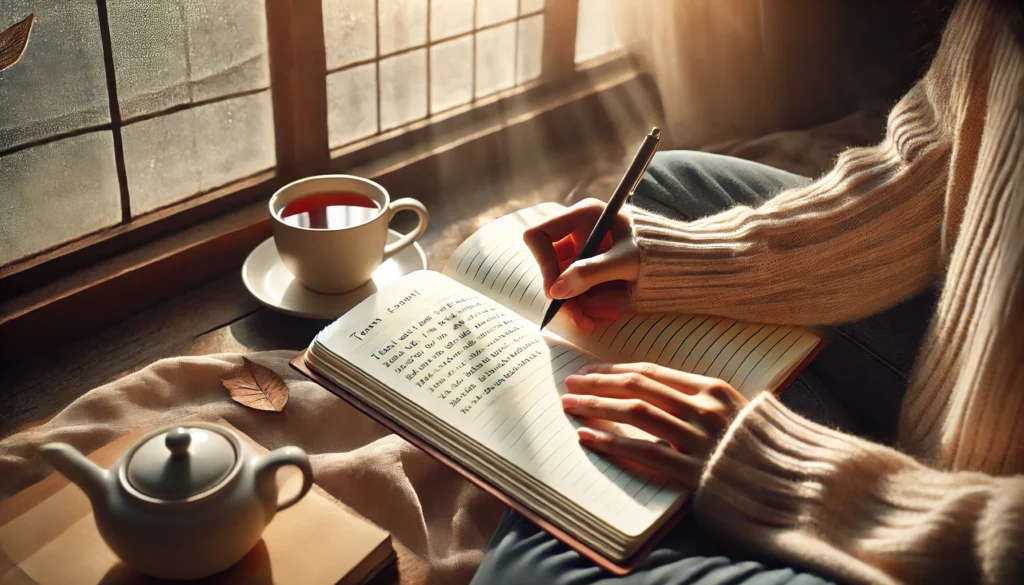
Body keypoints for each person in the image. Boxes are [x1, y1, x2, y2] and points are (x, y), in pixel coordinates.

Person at [470, 0, 1023, 583]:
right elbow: (931, 167)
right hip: (967, 376)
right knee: (667, 188)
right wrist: (679, 259)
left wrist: (787, 469)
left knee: (531, 562)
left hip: (969, 535)